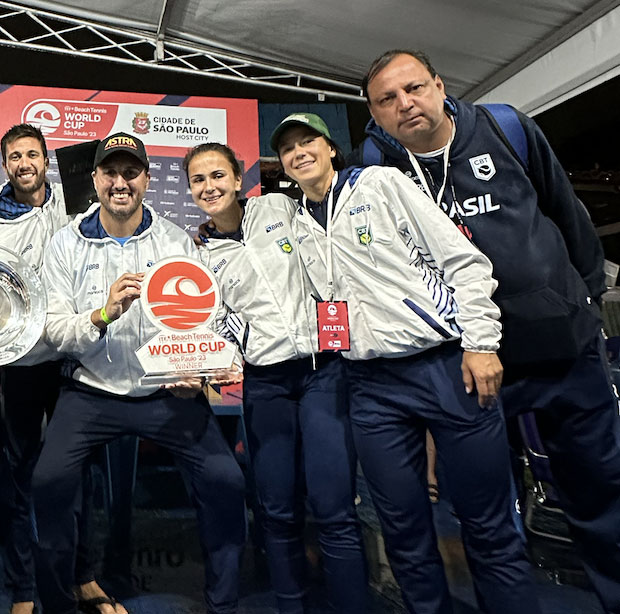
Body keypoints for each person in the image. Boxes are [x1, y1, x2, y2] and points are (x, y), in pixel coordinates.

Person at [357, 49, 620, 613]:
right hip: (470, 363)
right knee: (487, 509)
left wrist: (588, 295)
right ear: (375, 115)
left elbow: (564, 210)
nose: (407, 104)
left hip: (561, 344)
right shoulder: (379, 166)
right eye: (388, 100)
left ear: (439, 84)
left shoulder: (505, 129)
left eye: (415, 88)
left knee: (601, 491)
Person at [272, 112, 540, 614]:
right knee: (403, 529)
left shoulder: (381, 183)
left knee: (486, 523)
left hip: (442, 366)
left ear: (332, 148)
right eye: (288, 148)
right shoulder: (299, 221)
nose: (299, 152)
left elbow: (463, 259)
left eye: (308, 140)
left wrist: (481, 342)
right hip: (369, 383)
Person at [34, 132, 246, 614]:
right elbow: (53, 329)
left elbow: (206, 321)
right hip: (91, 393)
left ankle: (224, 604)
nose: (120, 182)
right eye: (110, 172)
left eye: (131, 172)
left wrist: (199, 370)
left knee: (226, 481)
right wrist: (102, 314)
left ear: (147, 179)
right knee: (48, 481)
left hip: (164, 392)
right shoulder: (66, 243)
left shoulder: (176, 240)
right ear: (95, 179)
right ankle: (60, 600)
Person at [185, 142, 368, 614]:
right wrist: (214, 360)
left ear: (239, 176)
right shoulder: (203, 254)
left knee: (334, 508)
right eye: (199, 180)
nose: (210, 187)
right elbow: (217, 323)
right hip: (265, 384)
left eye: (218, 175)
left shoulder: (279, 207)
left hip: (321, 372)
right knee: (277, 509)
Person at [0, 123, 122, 614]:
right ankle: (22, 588)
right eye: (14, 156)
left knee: (78, 472)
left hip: (73, 359)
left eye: (32, 154)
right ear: (5, 163)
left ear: (45, 159)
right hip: (19, 361)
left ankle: (84, 576)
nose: (24, 164)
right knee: (19, 476)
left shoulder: (74, 203)